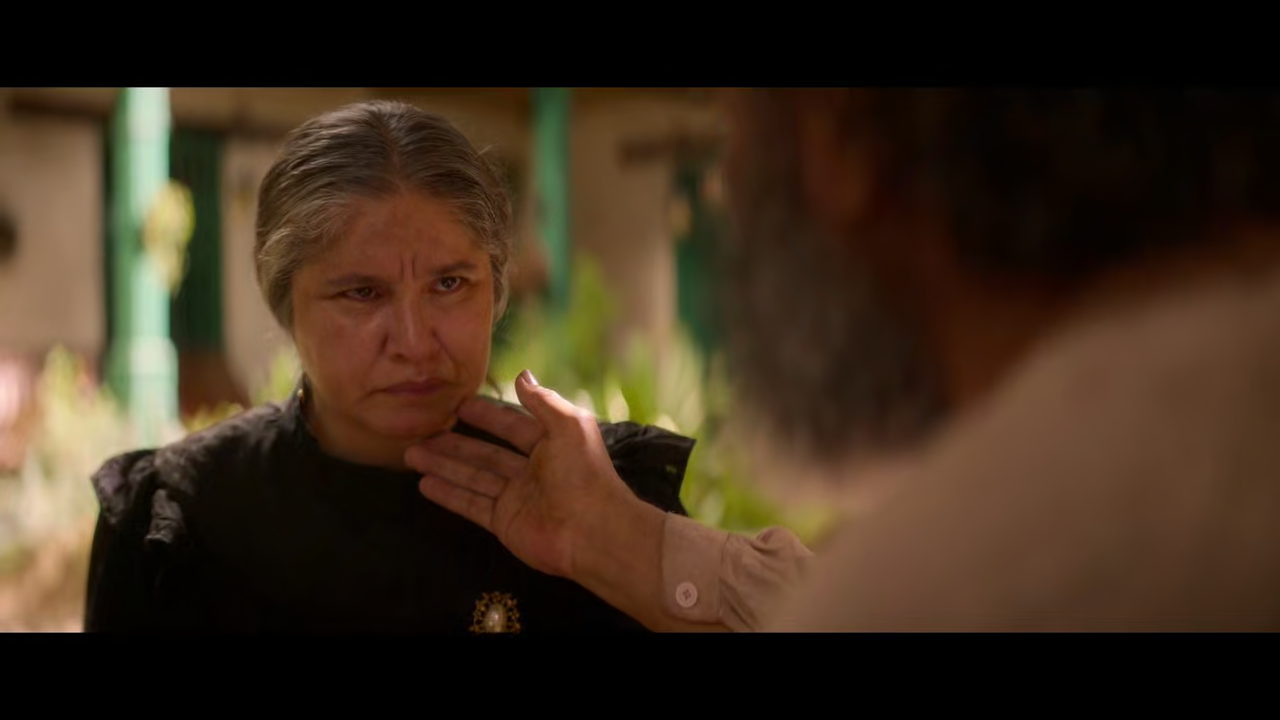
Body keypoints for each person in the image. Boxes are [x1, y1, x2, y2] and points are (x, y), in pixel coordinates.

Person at [407, 89, 1280, 631]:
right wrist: (615, 537)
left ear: (846, 138)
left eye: (734, 118)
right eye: (359, 293)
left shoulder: (987, 575)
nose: (724, 184)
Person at [81, 100, 692, 633]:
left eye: (449, 284)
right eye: (362, 293)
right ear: (286, 304)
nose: (414, 343)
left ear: (495, 290)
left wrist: (622, 548)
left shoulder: (596, 498)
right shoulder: (183, 521)